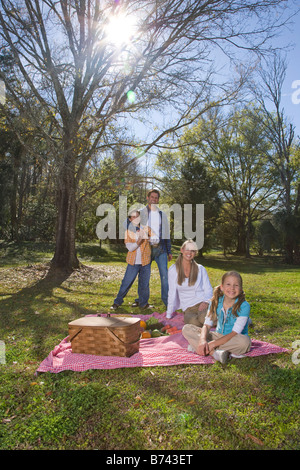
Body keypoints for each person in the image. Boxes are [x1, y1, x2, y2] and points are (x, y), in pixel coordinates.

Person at [182, 271, 251, 364]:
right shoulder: (216, 301)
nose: (232, 288)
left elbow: (234, 333)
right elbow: (206, 325)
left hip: (234, 338)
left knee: (245, 343)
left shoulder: (244, 306)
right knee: (187, 328)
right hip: (217, 336)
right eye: (228, 284)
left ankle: (198, 347)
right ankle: (214, 353)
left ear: (241, 289)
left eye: (236, 285)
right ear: (222, 287)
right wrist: (202, 340)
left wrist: (212, 344)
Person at [135, 189, 172, 308]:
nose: (154, 199)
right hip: (146, 249)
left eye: (156, 198)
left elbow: (166, 233)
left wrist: (169, 251)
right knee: (144, 276)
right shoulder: (141, 213)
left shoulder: (162, 215)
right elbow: (133, 229)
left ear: (158, 199)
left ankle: (167, 302)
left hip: (160, 249)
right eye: (152, 197)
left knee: (165, 276)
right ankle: (142, 301)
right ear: (148, 198)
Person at [111, 210, 153, 310]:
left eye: (137, 216)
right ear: (130, 219)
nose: (136, 218)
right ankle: (117, 302)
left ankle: (143, 304)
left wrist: (148, 237)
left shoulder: (146, 229)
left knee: (144, 284)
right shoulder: (128, 232)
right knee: (126, 282)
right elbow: (130, 248)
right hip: (133, 262)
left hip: (145, 262)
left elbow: (155, 241)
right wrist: (139, 241)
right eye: (133, 217)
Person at [166, 239, 213, 325]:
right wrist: (168, 314)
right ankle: (211, 321)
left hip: (202, 303)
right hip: (188, 308)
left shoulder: (200, 269)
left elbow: (208, 289)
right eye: (187, 249)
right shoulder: (173, 270)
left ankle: (223, 318)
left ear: (195, 253)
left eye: (193, 251)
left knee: (203, 319)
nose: (189, 253)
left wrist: (206, 302)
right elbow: (171, 292)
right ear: (182, 250)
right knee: (193, 323)